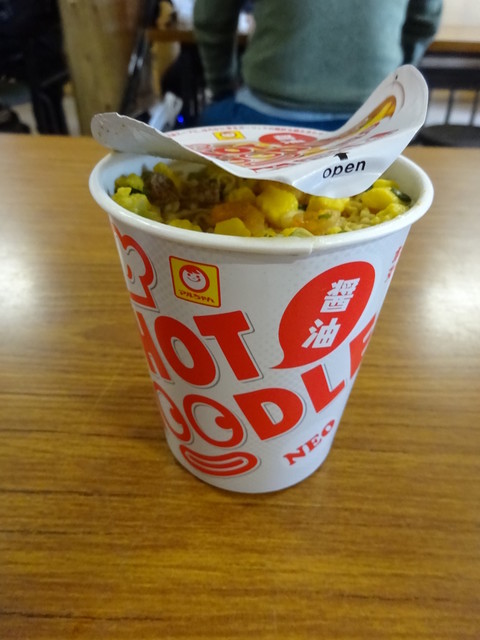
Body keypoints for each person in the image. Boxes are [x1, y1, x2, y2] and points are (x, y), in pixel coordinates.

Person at [193, 0, 443, 130]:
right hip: (376, 116)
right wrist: (395, 84)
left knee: (206, 120)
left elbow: (209, 19)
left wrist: (222, 87)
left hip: (265, 110)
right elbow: (424, 22)